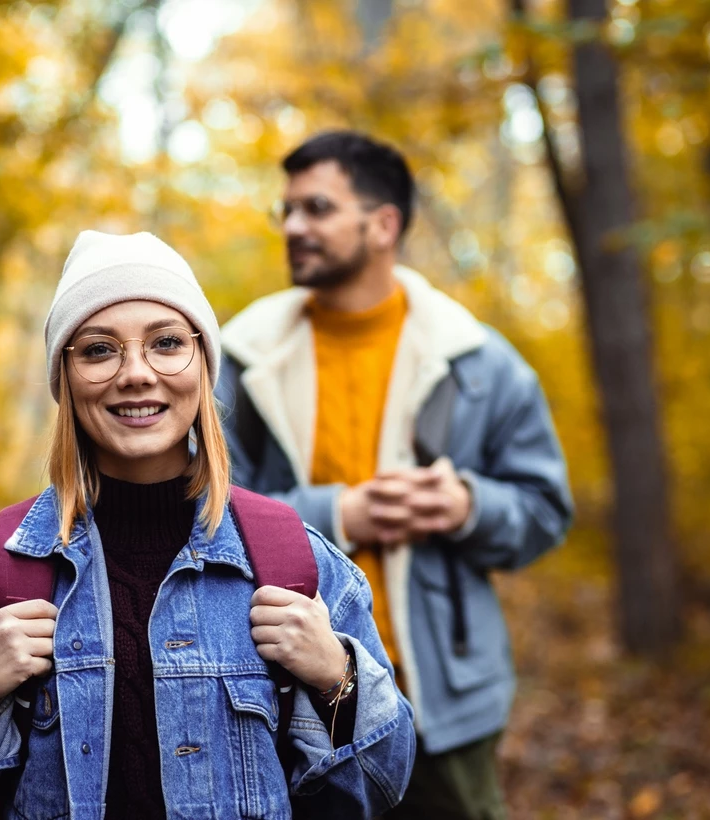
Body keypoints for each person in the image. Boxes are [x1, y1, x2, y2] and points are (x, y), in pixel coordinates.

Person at [0, 230, 416, 820]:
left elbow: (383, 785)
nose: (136, 374)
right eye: (99, 350)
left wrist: (337, 678)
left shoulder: (297, 565)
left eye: (166, 343)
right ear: (65, 377)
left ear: (202, 364)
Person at [216, 131, 574, 820]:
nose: (293, 226)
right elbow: (201, 513)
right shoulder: (239, 357)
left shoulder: (479, 361)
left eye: (317, 208)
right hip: (285, 688)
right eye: (286, 210)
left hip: (442, 695)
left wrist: (468, 506)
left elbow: (545, 510)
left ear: (383, 224)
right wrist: (337, 517)